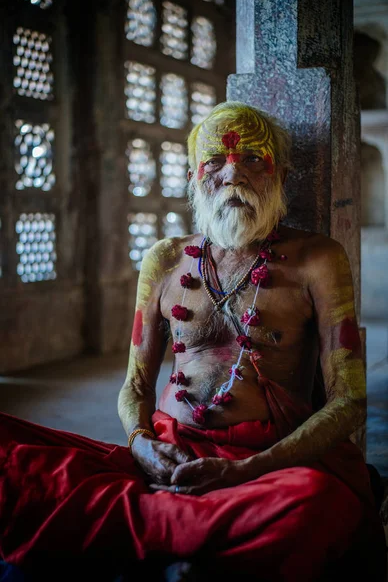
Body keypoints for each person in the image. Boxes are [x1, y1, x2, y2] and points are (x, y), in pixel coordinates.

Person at [0, 102, 385, 582]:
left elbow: (348, 400)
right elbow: (135, 385)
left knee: (316, 502)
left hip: (261, 469)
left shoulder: (318, 259)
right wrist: (141, 445)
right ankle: (189, 539)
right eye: (216, 162)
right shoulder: (164, 261)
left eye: (251, 159)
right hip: (169, 459)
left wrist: (244, 473)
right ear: (194, 176)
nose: (232, 174)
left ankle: (155, 535)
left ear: (280, 174)